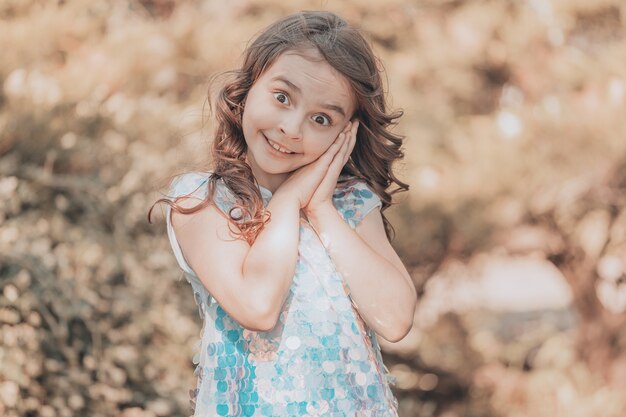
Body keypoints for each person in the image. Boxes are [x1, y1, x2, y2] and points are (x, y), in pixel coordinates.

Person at [151, 10, 416, 417]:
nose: (292, 128)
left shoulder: (350, 204)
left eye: (321, 118)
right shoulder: (201, 201)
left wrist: (322, 207)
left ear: (346, 133)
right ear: (247, 88)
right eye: (282, 97)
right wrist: (290, 200)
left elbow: (395, 319)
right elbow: (258, 305)